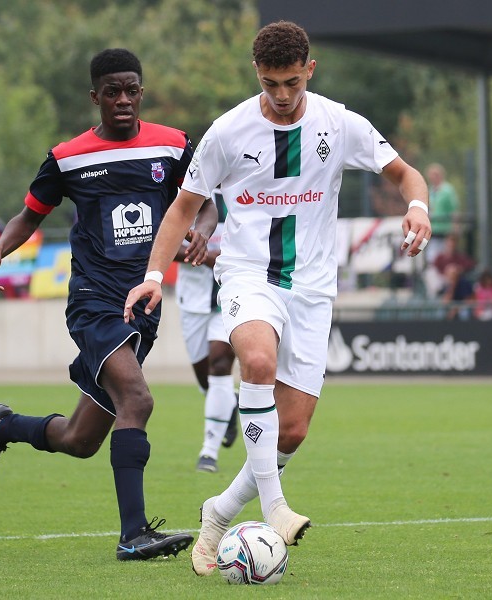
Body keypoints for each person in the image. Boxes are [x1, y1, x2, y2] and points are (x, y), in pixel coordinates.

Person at [124, 21, 431, 576]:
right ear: (256, 74)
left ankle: (219, 511)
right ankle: (274, 507)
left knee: (292, 431)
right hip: (247, 276)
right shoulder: (226, 133)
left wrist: (418, 208)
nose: (283, 95)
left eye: (291, 82)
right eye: (271, 83)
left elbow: (406, 174)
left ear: (309, 70)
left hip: (312, 291)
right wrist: (152, 273)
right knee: (257, 361)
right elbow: (181, 210)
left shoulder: (339, 124)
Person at [0, 49, 217, 561]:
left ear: (141, 91)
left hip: (143, 304)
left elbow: (207, 201)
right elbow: (28, 216)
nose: (122, 100)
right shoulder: (67, 157)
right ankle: (133, 534)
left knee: (80, 439)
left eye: (131, 89)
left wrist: (201, 234)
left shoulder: (173, 146)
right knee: (138, 401)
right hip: (94, 303)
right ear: (95, 96)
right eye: (112, 91)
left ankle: (4, 425)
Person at [174, 191, 239, 473]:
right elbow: (164, 242)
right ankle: (230, 404)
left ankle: (208, 452)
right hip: (193, 300)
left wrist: (223, 259)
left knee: (220, 362)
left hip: (232, 294)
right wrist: (202, 255)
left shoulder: (247, 188)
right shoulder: (186, 193)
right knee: (206, 380)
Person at [425, 162, 459, 258]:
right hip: (432, 230)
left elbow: (454, 209)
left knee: (445, 255)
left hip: (445, 229)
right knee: (432, 256)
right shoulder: (430, 190)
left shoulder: (448, 190)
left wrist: (454, 228)